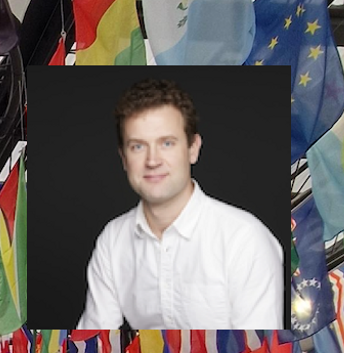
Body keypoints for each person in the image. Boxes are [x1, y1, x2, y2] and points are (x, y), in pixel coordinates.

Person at [77, 78, 283, 329]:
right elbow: (94, 344)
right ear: (123, 158)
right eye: (138, 146)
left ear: (193, 148)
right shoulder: (112, 240)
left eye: (167, 143)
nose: (153, 160)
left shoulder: (245, 239)